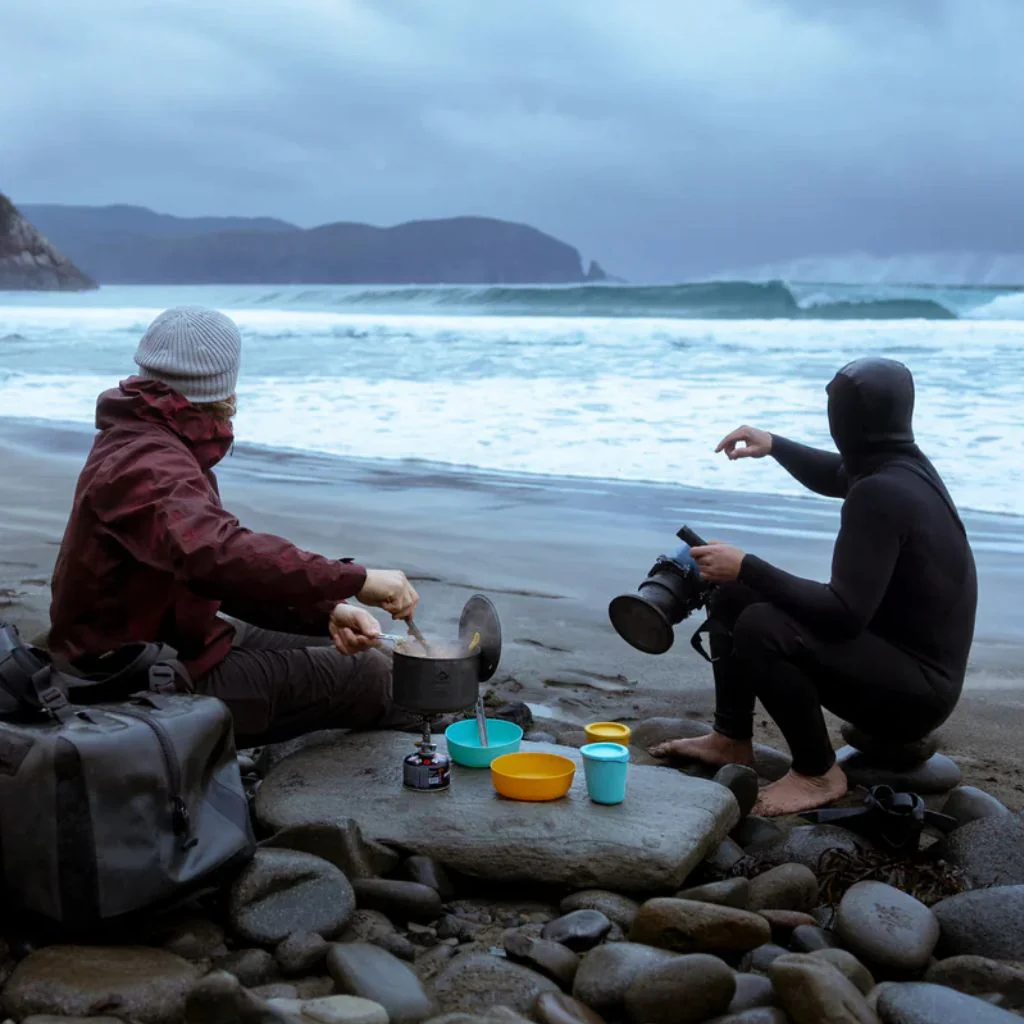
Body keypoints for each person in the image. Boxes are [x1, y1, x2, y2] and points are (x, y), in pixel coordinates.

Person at [49, 306, 421, 747]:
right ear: (222, 385)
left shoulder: (146, 435)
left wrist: (325, 610)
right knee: (369, 674)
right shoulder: (149, 463)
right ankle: (440, 737)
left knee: (335, 638)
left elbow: (214, 572)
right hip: (130, 681)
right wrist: (355, 579)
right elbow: (216, 553)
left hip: (162, 640)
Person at [651, 357, 977, 816]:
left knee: (762, 626)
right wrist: (774, 445)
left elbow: (843, 615)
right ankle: (730, 739)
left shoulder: (879, 495)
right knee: (731, 593)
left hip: (915, 696)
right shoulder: (902, 466)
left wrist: (748, 566)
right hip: (902, 662)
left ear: (844, 420)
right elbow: (836, 473)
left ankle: (817, 771)